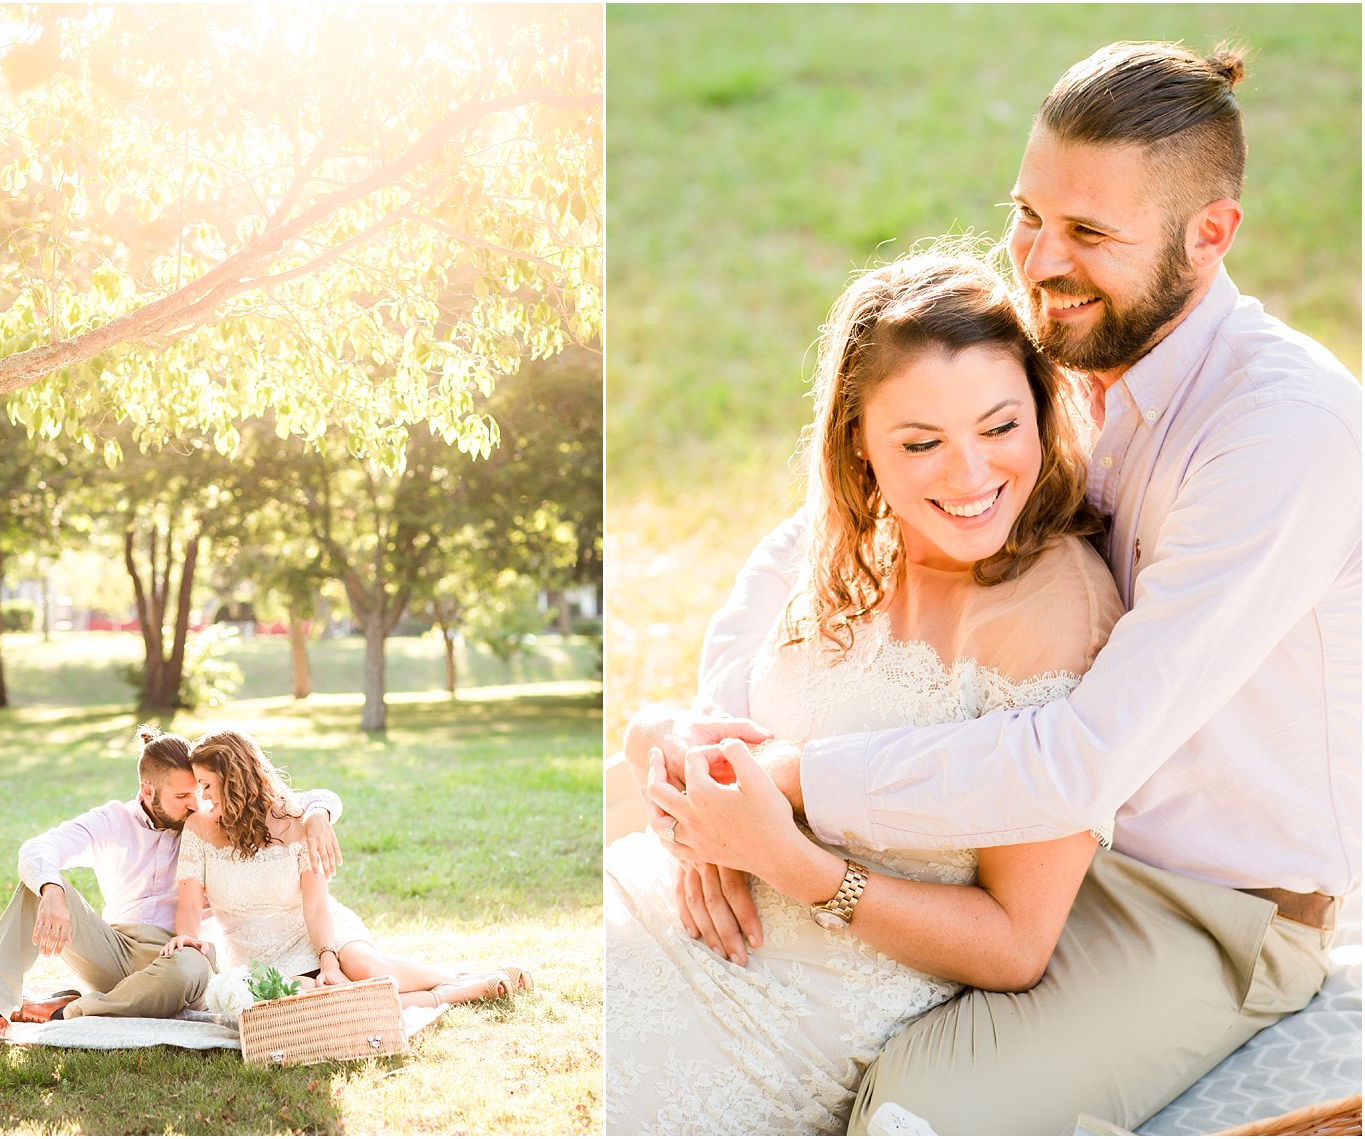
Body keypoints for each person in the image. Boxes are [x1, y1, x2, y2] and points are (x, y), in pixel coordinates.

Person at [668, 42, 1359, 1134]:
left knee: (921, 1110)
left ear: (1209, 234)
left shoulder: (1280, 435)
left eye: (1087, 233)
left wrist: (791, 781)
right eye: (1026, 214)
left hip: (1198, 905)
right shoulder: (1063, 350)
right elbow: (814, 532)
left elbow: (1081, 759)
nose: (1038, 262)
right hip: (1022, 848)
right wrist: (714, 747)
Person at [605, 251, 1125, 1135]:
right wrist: (676, 769)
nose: (968, 477)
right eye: (920, 443)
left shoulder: (1056, 610)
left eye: (1000, 427)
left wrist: (795, 866)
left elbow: (1015, 941)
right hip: (656, 916)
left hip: (783, 1018)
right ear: (858, 442)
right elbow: (714, 729)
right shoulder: (841, 546)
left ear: (1042, 410)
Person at [0, 726, 345, 1047]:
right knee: (35, 885)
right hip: (113, 948)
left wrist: (318, 814)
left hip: (176, 959)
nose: (196, 803)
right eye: (184, 794)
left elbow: (292, 795)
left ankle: (69, 1010)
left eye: (198, 791)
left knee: (193, 964)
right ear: (148, 790)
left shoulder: (209, 823)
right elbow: (40, 848)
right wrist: (52, 890)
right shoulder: (112, 821)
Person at [161, 728, 528, 1008]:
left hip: (316, 931)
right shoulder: (199, 828)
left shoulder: (296, 820)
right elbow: (190, 904)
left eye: (207, 785)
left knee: (366, 971)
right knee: (326, 1003)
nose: (202, 798)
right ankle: (451, 993)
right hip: (256, 955)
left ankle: (454, 980)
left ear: (235, 780)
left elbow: (317, 904)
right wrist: (187, 936)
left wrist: (329, 961)